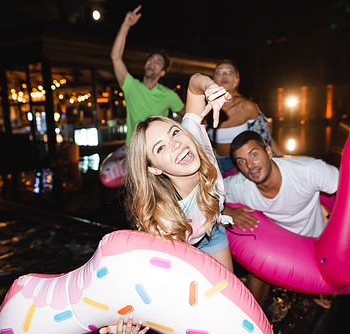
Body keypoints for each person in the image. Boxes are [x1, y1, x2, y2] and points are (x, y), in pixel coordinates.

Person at [123, 73, 234, 272]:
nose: (176, 144)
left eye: (174, 132)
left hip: (213, 228)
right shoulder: (163, 219)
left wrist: (210, 87)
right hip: (179, 247)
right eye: (160, 148)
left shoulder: (193, 139)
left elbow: (193, 85)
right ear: (154, 168)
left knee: (229, 292)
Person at [223, 130, 339, 307]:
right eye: (241, 162)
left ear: (269, 152)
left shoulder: (308, 170)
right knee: (259, 269)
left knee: (328, 289)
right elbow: (205, 198)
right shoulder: (240, 186)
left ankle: (313, 293)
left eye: (254, 154)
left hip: (314, 241)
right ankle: (252, 321)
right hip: (278, 244)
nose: (250, 165)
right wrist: (228, 211)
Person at [101, 5, 185, 187]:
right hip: (132, 148)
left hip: (156, 149)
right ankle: (138, 173)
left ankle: (147, 176)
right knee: (106, 177)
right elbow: (115, 57)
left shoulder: (168, 95)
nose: (152, 63)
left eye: (158, 62)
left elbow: (187, 116)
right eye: (151, 59)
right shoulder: (131, 86)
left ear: (162, 72)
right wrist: (126, 25)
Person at [206, 60, 283, 173]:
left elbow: (265, 138)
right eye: (219, 72)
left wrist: (285, 159)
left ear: (236, 80)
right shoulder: (206, 109)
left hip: (244, 162)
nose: (224, 75)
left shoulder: (248, 107)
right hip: (216, 164)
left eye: (229, 72)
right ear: (213, 81)